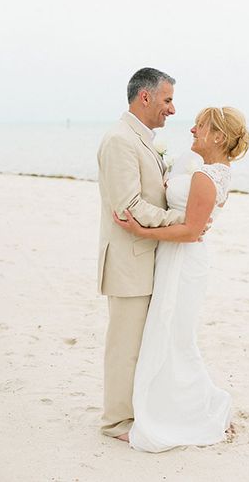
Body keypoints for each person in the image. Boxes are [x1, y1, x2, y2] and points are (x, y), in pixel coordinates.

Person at [113, 106, 249, 452]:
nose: (192, 130)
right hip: (175, 258)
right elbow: (188, 217)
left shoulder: (206, 177)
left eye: (200, 126)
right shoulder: (208, 172)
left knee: (175, 337)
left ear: (218, 136)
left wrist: (140, 230)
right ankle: (167, 407)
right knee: (167, 333)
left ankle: (183, 413)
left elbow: (191, 232)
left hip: (184, 261)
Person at [97, 68, 185, 441]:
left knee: (144, 342)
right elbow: (129, 206)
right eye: (167, 100)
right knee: (125, 345)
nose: (173, 109)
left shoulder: (141, 139)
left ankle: (139, 410)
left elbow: (148, 193)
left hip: (149, 256)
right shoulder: (120, 140)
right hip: (129, 258)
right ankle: (116, 421)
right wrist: (181, 220)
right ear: (145, 97)